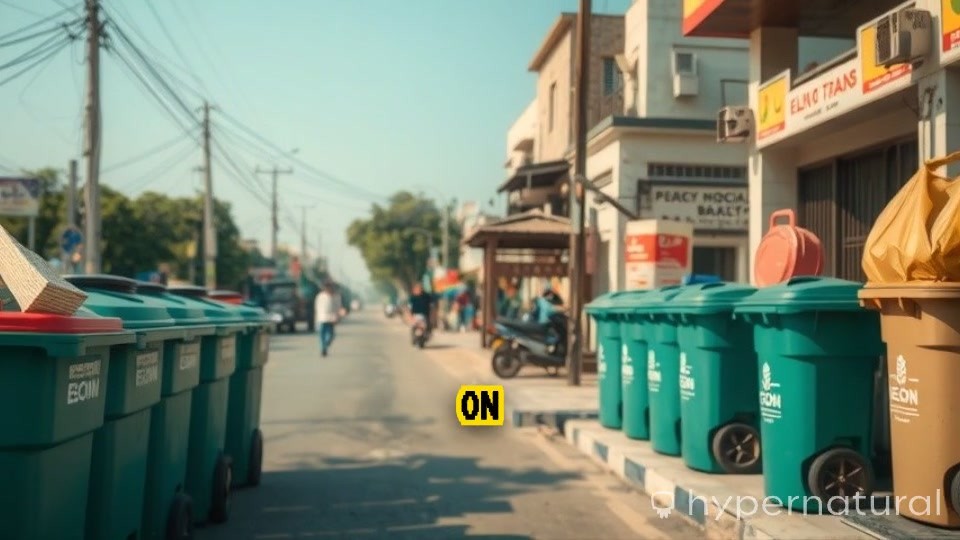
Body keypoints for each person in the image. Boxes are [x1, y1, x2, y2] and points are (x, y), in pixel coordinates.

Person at [314, 281, 341, 357]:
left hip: (332, 318)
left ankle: (326, 345)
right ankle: (323, 348)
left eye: (330, 287)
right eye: (326, 287)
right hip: (322, 318)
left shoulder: (336, 296)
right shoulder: (320, 296)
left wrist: (338, 317)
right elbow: (317, 308)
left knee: (331, 335)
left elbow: (338, 307)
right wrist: (316, 319)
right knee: (321, 335)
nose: (328, 289)